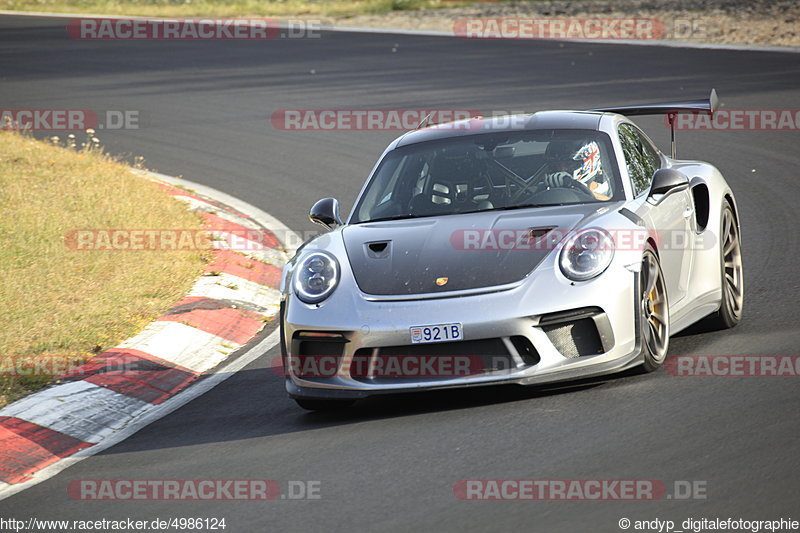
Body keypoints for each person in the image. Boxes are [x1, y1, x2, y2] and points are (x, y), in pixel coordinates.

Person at [542, 139, 611, 200]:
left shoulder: (607, 190)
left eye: (568, 164)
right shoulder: (544, 186)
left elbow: (612, 206)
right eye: (556, 165)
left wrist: (583, 191)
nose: (561, 169)